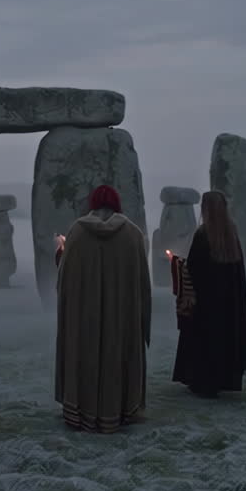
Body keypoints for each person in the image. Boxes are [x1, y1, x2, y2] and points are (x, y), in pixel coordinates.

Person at [54, 185, 150, 432]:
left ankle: (82, 410)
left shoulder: (77, 232)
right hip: (121, 317)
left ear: (93, 204)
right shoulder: (133, 235)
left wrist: (61, 255)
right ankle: (119, 409)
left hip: (85, 318)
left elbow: (64, 281)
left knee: (85, 354)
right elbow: (142, 285)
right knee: (117, 354)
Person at [171, 190, 246, 398]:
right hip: (229, 307)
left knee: (204, 340)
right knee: (224, 339)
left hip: (206, 306)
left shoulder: (203, 235)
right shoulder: (231, 234)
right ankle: (224, 378)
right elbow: (237, 276)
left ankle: (203, 381)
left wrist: (178, 265)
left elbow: (193, 270)